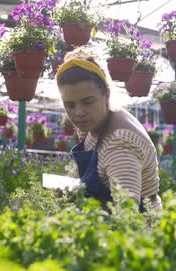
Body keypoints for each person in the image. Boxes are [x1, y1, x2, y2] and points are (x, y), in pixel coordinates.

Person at [55, 48, 162, 212]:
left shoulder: (119, 143)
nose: (78, 112)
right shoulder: (96, 123)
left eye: (88, 102)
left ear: (106, 95)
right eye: (70, 105)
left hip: (139, 232)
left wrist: (79, 201)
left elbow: (127, 212)